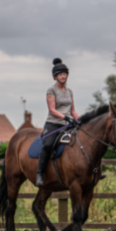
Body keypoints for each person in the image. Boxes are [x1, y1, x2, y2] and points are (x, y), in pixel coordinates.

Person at [36, 58, 81, 186]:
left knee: (82, 141)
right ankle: (39, 174)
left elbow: (73, 111)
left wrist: (81, 120)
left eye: (65, 74)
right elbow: (52, 110)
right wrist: (64, 117)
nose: (63, 76)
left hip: (67, 125)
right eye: (60, 74)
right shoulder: (51, 90)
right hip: (53, 124)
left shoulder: (69, 91)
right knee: (48, 145)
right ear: (55, 76)